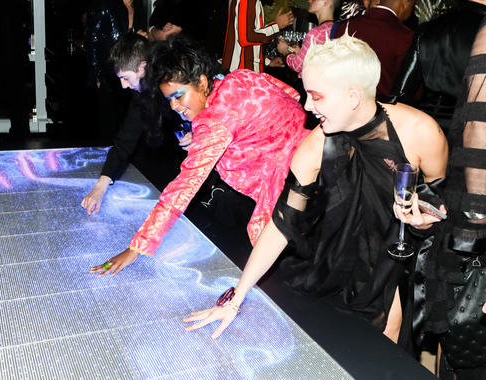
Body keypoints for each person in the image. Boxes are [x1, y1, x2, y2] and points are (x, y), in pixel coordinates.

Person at [183, 34, 448, 349]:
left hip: (395, 259)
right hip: (329, 258)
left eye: (316, 96)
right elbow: (282, 223)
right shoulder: (315, 146)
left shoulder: (421, 132)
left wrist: (428, 215)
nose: (307, 106)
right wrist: (235, 298)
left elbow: (442, 198)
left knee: (389, 340)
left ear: (352, 96)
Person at [89, 36, 309, 276]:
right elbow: (291, 95)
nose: (174, 107)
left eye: (178, 96)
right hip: (311, 151)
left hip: (285, 182)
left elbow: (183, 187)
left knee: (269, 252)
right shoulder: (240, 76)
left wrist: (136, 247)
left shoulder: (213, 124)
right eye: (169, 99)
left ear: (202, 82)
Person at [419, 16, 486, 380]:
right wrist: (478, 223)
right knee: (469, 313)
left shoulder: (436, 26)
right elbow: (478, 126)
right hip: (469, 173)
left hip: (435, 142)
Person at [81, 33, 188, 215]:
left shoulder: (174, 76)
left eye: (126, 77)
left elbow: (208, 102)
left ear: (142, 67)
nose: (123, 85)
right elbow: (125, 141)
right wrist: (101, 185)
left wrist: (198, 129)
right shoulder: (142, 92)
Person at [391, 0, 486, 131]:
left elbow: (401, 94)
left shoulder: (428, 29)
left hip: (425, 131)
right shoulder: (483, 32)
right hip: (471, 134)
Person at [84, 0, 146, 139]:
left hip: (131, 72)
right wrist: (97, 75)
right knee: (110, 121)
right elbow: (92, 40)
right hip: (109, 72)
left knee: (129, 119)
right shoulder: (105, 4)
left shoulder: (138, 6)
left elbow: (135, 40)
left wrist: (141, 38)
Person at [331, 0, 416, 98]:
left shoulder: (343, 27)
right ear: (405, 3)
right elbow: (409, 88)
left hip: (343, 101)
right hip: (382, 109)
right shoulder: (406, 36)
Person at [0, 0, 32, 140]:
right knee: (19, 94)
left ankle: (17, 132)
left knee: (11, 95)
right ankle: (22, 129)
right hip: (19, 55)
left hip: (6, 56)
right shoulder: (19, 5)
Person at [222, 0, 294, 73]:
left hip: (244, 71)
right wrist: (276, 26)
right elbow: (246, 38)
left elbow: (252, 36)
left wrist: (268, 62)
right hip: (242, 73)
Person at [277, 0, 341, 76]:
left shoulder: (316, 33)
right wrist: (300, 53)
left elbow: (297, 66)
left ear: (325, 2)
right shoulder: (338, 28)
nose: (309, 0)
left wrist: (285, 51)